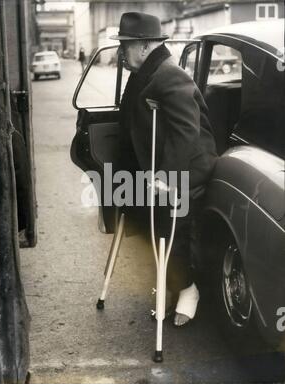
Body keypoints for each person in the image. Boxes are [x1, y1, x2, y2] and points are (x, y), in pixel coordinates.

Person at [110, 12, 217, 326]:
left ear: (144, 46)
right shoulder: (145, 73)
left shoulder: (169, 75)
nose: (120, 52)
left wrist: (167, 179)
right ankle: (172, 282)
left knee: (172, 223)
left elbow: (188, 131)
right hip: (160, 161)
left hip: (186, 165)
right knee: (146, 217)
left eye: (125, 45)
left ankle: (187, 288)